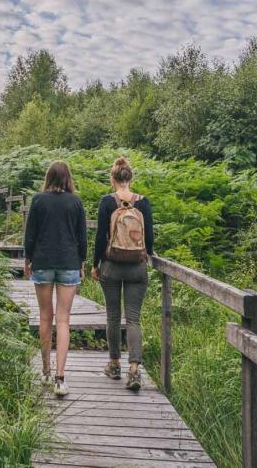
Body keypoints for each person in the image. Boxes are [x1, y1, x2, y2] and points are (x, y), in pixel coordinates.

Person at [24, 160, 87, 397]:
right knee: (63, 320)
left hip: (42, 261)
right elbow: (82, 237)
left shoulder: (39, 200)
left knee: (44, 317)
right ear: (68, 178)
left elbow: (30, 234)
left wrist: (27, 259)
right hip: (69, 262)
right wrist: (82, 262)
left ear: (48, 178)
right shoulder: (76, 202)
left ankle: (46, 371)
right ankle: (61, 378)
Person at [91, 156, 153, 391]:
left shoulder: (107, 202)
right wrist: (146, 257)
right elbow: (150, 239)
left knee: (113, 317)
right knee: (134, 318)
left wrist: (95, 264)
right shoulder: (143, 203)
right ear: (130, 178)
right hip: (137, 268)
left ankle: (114, 364)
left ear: (113, 178)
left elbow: (99, 238)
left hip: (112, 266)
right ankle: (135, 370)